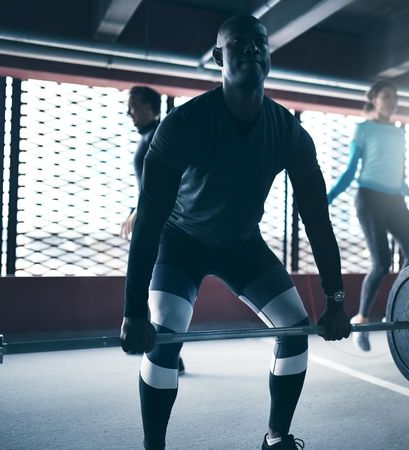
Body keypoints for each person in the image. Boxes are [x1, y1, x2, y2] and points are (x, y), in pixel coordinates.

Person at [119, 14, 351, 450]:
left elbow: (317, 220)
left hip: (241, 243)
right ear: (218, 55)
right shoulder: (182, 126)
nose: (250, 49)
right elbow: (149, 222)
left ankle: (277, 437)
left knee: (296, 329)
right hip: (180, 241)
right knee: (165, 333)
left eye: (259, 43)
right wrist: (133, 311)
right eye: (238, 42)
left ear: (269, 56)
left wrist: (336, 299)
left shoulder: (289, 132)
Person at [327, 80, 409, 352]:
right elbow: (351, 171)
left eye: (395, 97)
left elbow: (399, 177)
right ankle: (361, 319)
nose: (392, 101)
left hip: (394, 199)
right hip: (369, 198)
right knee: (382, 262)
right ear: (374, 99)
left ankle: (396, 303)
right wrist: (326, 199)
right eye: (386, 96)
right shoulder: (363, 129)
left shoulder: (399, 133)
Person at [120, 86, 186, 375]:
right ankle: (167, 351)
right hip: (153, 219)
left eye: (133, 106)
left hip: (164, 224)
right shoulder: (147, 137)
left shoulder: (160, 135)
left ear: (149, 106)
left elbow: (168, 184)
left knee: (161, 289)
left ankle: (168, 353)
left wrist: (143, 211)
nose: (128, 112)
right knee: (155, 287)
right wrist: (137, 210)